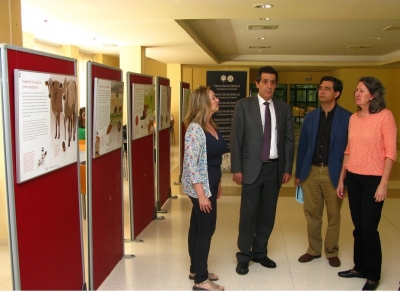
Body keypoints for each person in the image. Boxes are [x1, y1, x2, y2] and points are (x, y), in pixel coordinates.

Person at [230, 66, 294, 275]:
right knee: (248, 214)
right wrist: (237, 168)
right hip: (250, 168)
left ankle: (260, 252)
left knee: (268, 214)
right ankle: (244, 256)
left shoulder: (283, 108)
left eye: (273, 82)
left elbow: (288, 141)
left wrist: (287, 168)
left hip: (274, 169)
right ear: (256, 83)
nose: (269, 85)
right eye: (265, 81)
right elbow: (236, 139)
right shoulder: (244, 106)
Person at [337, 77, 397, 291]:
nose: (357, 94)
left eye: (361, 90)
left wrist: (384, 183)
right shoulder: (354, 118)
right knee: (358, 227)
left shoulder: (385, 117)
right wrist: (342, 179)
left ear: (373, 94)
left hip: (374, 180)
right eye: (356, 90)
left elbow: (390, 153)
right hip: (354, 177)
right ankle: (359, 267)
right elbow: (348, 150)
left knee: (369, 229)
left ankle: (373, 275)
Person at [294, 76, 351, 267]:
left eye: (327, 89)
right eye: (320, 88)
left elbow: (351, 149)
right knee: (312, 213)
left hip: (333, 173)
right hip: (311, 171)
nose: (321, 91)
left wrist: (347, 176)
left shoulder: (347, 118)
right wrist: (299, 174)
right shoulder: (310, 117)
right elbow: (302, 146)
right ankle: (314, 249)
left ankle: (332, 251)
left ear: (337, 93)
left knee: (334, 214)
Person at [182, 86, 227, 291]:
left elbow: (214, 160)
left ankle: (195, 268)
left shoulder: (210, 124)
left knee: (198, 227)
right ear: (203, 102)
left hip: (210, 184)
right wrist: (202, 195)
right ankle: (200, 279)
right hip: (201, 188)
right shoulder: (195, 129)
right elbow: (192, 165)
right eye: (213, 97)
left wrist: (217, 185)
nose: (217, 99)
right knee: (206, 230)